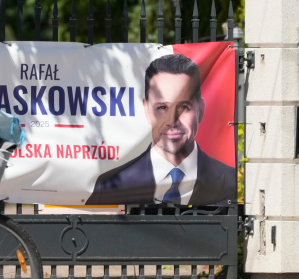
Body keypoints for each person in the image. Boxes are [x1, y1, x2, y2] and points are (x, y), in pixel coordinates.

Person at [85, 53, 235, 207]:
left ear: (200, 110)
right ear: (147, 110)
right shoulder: (110, 186)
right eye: (162, 108)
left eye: (184, 107)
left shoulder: (232, 182)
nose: (171, 120)